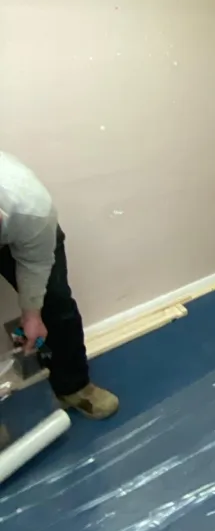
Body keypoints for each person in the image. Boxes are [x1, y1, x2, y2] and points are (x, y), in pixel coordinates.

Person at [0, 151, 118, 419]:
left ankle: (73, 386)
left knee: (55, 303)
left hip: (24, 229)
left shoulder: (31, 209)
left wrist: (32, 315)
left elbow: (35, 264)